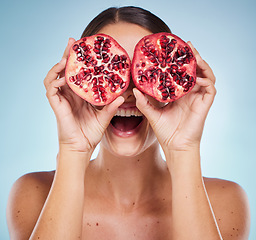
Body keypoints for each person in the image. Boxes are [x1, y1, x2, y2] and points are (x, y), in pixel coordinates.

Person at [7, 6, 250, 240]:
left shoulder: (225, 202)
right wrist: (73, 150)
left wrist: (183, 150)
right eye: (113, 70)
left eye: (145, 70)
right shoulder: (32, 193)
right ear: (77, 87)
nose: (128, 92)